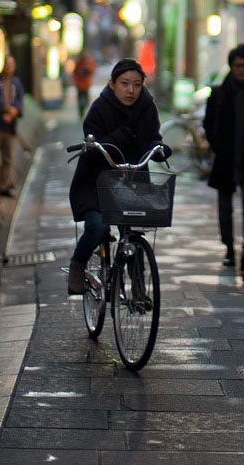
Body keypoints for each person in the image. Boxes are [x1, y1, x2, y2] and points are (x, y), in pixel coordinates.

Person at [67, 58, 170, 295]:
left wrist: (159, 149)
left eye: (136, 84)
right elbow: (92, 145)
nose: (130, 90)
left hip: (131, 179)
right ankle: (78, 264)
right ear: (112, 84)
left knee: (133, 231)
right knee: (97, 228)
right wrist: (120, 136)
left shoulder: (147, 106)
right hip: (95, 180)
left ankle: (138, 284)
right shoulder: (99, 107)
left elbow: (152, 136)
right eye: (124, 83)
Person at [203, 43, 244, 272]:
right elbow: (208, 123)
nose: (241, 70)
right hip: (226, 156)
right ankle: (230, 249)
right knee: (225, 206)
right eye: (237, 66)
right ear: (231, 67)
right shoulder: (220, 92)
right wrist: (217, 145)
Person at [0, 55, 24, 197]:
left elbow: (19, 101)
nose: (9, 67)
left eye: (12, 64)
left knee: (7, 158)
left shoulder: (16, 82)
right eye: (7, 64)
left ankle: (4, 185)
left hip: (9, 126)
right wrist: (9, 111)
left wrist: (13, 113)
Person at [72, 49, 96, 118]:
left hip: (86, 84)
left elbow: (92, 70)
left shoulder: (88, 62)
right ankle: (81, 112)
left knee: (86, 99)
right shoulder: (78, 62)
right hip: (79, 84)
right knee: (80, 99)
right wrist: (75, 80)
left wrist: (87, 69)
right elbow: (75, 72)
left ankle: (83, 109)